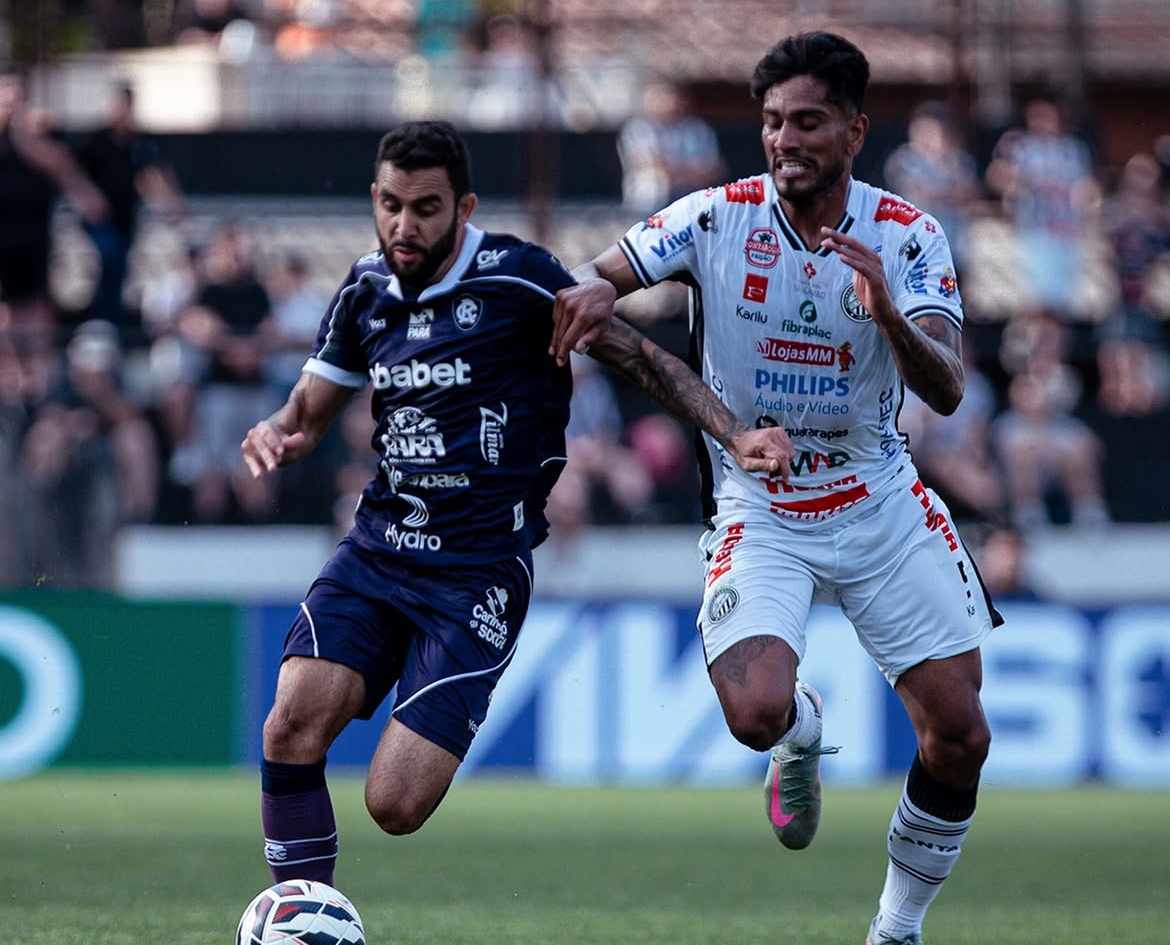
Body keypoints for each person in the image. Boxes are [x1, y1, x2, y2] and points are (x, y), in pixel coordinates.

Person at [239, 120, 792, 888]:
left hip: (478, 573)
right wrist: (280, 428)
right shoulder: (366, 290)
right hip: (377, 548)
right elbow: (312, 404)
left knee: (394, 803)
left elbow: (639, 357)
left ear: (463, 207)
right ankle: (302, 921)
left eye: (426, 208)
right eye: (392, 205)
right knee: (290, 723)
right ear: (374, 199)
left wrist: (733, 431)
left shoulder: (520, 278)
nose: (405, 225)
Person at [554, 32, 1004, 945]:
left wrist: (885, 310)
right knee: (755, 711)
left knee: (960, 734)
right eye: (771, 122)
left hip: (879, 495)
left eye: (808, 121)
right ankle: (803, 730)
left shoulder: (908, 234)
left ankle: (895, 930)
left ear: (854, 130)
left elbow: (948, 389)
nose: (785, 139)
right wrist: (595, 296)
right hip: (760, 505)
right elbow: (594, 285)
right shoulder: (712, 218)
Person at [73, 81, 186, 343]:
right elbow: (74, 174)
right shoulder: (95, 141)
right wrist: (88, 198)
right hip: (99, 221)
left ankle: (112, 324)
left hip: (125, 219)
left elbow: (156, 175)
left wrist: (174, 207)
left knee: (119, 269)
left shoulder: (140, 142)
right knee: (109, 261)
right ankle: (103, 321)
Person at [618, 79, 726, 213]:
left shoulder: (698, 128)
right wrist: (690, 171)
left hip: (693, 202)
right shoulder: (639, 128)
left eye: (670, 96)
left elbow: (713, 170)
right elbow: (655, 166)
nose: (666, 102)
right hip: (650, 203)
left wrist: (679, 171)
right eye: (660, 97)